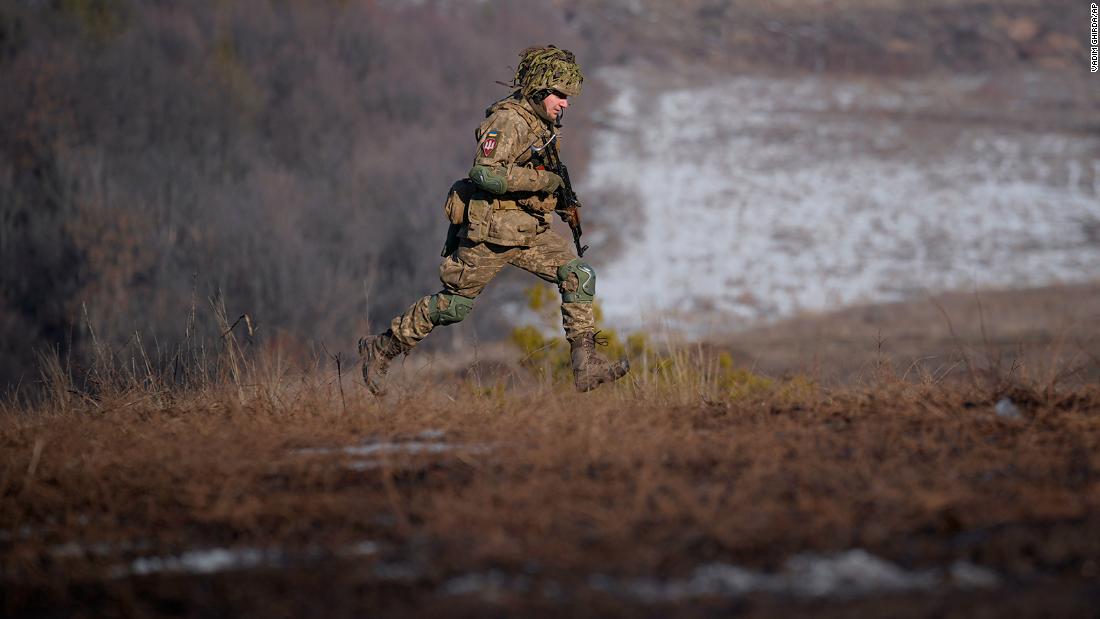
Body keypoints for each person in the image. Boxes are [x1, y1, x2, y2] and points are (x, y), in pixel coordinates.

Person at [359, 46, 629, 395]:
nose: (566, 103)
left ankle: (586, 365)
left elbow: (538, 173)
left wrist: (558, 200)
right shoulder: (509, 121)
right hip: (491, 234)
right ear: (539, 88)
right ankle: (381, 348)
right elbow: (484, 173)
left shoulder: (542, 124)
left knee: (579, 274)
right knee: (454, 306)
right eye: (559, 95)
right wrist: (542, 182)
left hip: (527, 231)